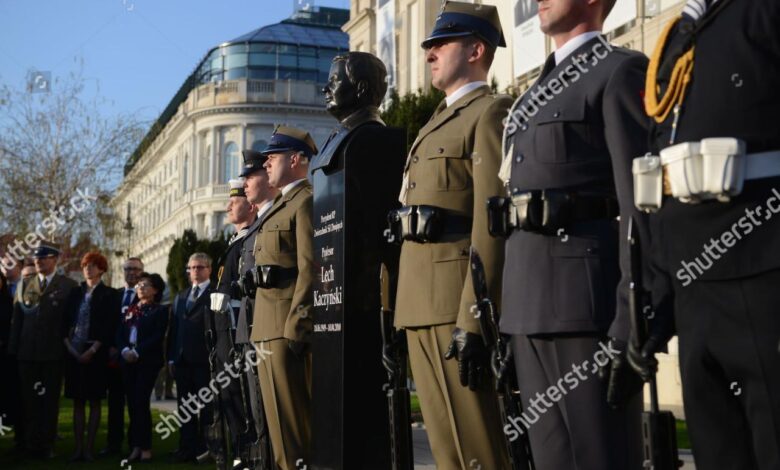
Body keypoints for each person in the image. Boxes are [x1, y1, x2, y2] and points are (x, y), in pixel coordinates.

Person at [627, 1, 780, 468]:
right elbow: (661, 178)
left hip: (763, 272)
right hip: (693, 288)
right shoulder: (680, 34)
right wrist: (659, 293)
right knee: (719, 453)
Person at [498, 0, 648, 468]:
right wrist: (508, 319)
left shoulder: (618, 72)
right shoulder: (528, 97)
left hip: (588, 311)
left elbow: (638, 205)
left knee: (600, 458)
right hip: (527, 310)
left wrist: (630, 323)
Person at [392, 2, 512, 467]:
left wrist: (475, 317)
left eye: (441, 43)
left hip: (456, 303)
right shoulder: (431, 126)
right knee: (446, 450)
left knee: (479, 446)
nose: (429, 53)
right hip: (419, 305)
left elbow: (492, 221)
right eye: (428, 45)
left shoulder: (490, 113)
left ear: (477, 49)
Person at [251, 126, 317, 470]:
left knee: (294, 429)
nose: (266, 165)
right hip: (265, 328)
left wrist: (297, 325)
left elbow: (311, 268)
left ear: (295, 160)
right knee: (278, 430)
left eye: (272, 158)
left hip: (284, 330)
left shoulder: (304, 202)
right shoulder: (279, 206)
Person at [8, 244, 79, 459]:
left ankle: (47, 444)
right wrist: (13, 350)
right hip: (27, 353)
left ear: (55, 259)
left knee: (49, 401)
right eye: (36, 259)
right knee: (28, 401)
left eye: (44, 258)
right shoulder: (25, 284)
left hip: (53, 353)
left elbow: (72, 322)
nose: (39, 261)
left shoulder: (68, 286)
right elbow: (17, 320)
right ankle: (30, 444)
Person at [240, 148, 278, 468]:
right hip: (250, 325)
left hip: (270, 325)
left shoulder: (276, 214)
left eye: (251, 176)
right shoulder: (256, 224)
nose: (245, 183)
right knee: (255, 408)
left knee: (270, 409)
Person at [62, 252, 118, 462]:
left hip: (95, 354)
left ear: (102, 269)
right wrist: (70, 348)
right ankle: (77, 448)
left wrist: (92, 350)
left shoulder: (109, 294)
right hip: (74, 351)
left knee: (94, 401)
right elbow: (65, 321)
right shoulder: (75, 293)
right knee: (77, 401)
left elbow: (109, 325)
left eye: (93, 266)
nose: (88, 269)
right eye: (85, 265)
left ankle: (89, 448)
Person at [116, 272, 168, 463]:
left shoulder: (159, 311)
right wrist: (123, 351)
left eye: (145, 285)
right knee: (132, 403)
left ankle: (145, 447)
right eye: (138, 285)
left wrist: (137, 352)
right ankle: (134, 446)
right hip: (127, 361)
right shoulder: (130, 309)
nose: (140, 288)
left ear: (155, 290)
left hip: (146, 362)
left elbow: (157, 336)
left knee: (141, 402)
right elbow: (120, 333)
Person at [168, 253, 214, 464]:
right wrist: (171, 359)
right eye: (192, 267)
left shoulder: (215, 294)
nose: (195, 271)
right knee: (185, 407)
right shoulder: (181, 296)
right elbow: (174, 329)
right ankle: (186, 447)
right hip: (182, 361)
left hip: (205, 362)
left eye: (199, 267)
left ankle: (206, 449)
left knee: (206, 407)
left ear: (209, 269)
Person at [101, 257, 143, 456]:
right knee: (114, 404)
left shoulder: (146, 296)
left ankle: (136, 444)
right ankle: (113, 444)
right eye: (127, 269)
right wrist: (112, 346)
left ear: (142, 272)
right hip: (113, 358)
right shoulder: (114, 295)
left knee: (135, 404)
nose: (131, 272)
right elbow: (108, 323)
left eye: (135, 269)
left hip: (135, 359)